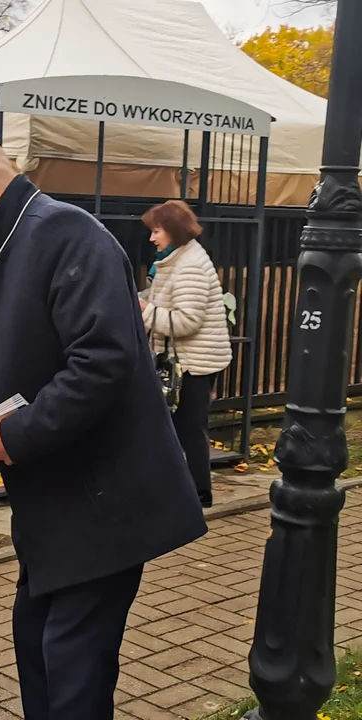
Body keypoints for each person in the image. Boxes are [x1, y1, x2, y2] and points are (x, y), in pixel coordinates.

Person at [0, 131, 207, 720]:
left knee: (70, 673)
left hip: (103, 502)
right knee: (38, 651)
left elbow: (103, 359)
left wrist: (16, 434)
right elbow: (14, 381)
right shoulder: (7, 247)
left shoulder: (64, 234)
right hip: (60, 509)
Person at [139, 200, 232, 508]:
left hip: (194, 364)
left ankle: (198, 494)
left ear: (173, 231)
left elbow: (186, 321)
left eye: (156, 231)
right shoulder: (176, 259)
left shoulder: (189, 265)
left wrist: (145, 310)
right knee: (177, 427)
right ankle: (182, 490)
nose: (152, 238)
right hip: (186, 360)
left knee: (190, 429)